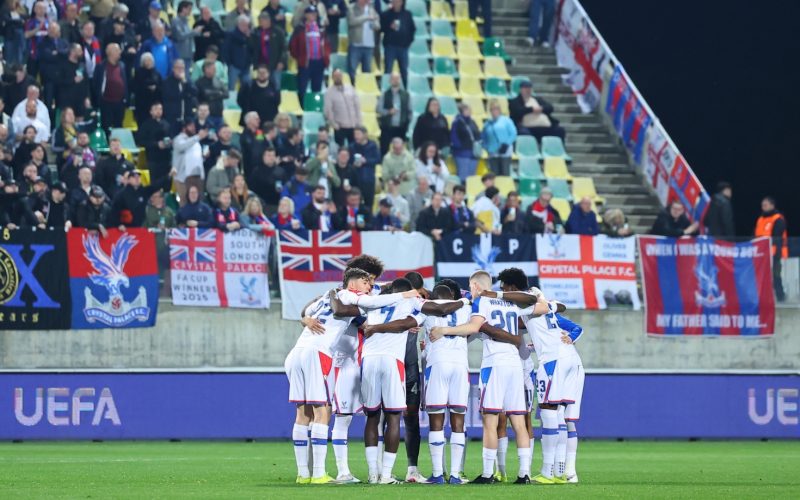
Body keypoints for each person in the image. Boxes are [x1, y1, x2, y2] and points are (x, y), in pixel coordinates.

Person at [287, 269, 416, 484]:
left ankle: (303, 474)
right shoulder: (347, 294)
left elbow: (305, 311)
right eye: (368, 283)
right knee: (322, 412)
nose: (370, 288)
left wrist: (306, 320)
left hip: (296, 352)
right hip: (320, 354)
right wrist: (404, 295)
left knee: (303, 414)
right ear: (357, 282)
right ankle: (319, 473)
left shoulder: (328, 295)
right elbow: (367, 305)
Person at [429, 270, 545, 484]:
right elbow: (540, 306)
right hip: (514, 365)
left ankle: (488, 473)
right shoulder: (511, 302)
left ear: (475, 285)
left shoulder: (483, 301)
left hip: (494, 364)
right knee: (519, 421)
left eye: (471, 286)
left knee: (490, 420)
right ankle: (524, 474)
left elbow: (474, 327)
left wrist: (444, 330)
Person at [110, 169, 175, 228]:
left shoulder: (143, 191)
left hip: (142, 228)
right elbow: (114, 211)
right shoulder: (121, 195)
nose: (137, 179)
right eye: (134, 177)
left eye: (138, 177)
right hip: (127, 228)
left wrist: (168, 176)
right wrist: (118, 224)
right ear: (129, 180)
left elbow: (156, 185)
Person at [289, 6, 329, 102]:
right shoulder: (300, 28)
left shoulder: (321, 28)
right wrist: (299, 57)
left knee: (317, 88)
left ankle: (314, 107)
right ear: (306, 15)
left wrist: (325, 59)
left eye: (314, 14)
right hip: (305, 63)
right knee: (302, 87)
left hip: (319, 62)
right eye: (310, 13)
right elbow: (292, 45)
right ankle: (302, 107)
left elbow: (326, 44)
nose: (313, 15)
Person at [755, 196, 788, 302]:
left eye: (765, 205)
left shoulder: (778, 218)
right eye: (762, 205)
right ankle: (763, 298)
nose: (763, 207)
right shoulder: (760, 219)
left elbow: (777, 236)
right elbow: (755, 234)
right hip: (761, 253)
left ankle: (781, 297)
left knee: (776, 275)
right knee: (762, 276)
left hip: (774, 252)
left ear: (772, 205)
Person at [173, 119, 208, 206]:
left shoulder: (195, 141)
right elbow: (182, 147)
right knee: (185, 200)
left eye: (194, 126)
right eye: (191, 126)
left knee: (199, 200)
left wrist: (204, 156)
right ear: (184, 128)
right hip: (183, 177)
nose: (193, 128)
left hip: (197, 176)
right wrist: (198, 137)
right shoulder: (178, 139)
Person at [379, 0, 415, 86]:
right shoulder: (386, 14)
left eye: (398, 1)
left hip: (403, 47)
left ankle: (405, 91)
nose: (396, 2)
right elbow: (381, 28)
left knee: (404, 71)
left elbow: (412, 29)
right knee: (388, 69)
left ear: (402, 2)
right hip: (390, 46)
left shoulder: (407, 14)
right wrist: (389, 26)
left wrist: (408, 42)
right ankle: (386, 89)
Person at [324, 69, 362, 147]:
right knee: (340, 148)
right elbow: (328, 110)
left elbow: (357, 106)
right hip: (340, 127)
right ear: (332, 78)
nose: (338, 78)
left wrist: (358, 122)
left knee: (354, 148)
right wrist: (334, 125)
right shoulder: (329, 93)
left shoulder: (350, 88)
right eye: (335, 76)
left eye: (339, 76)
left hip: (353, 126)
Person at [249, 12, 287, 88]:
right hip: (260, 64)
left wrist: (281, 61)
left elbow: (284, 48)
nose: (260, 23)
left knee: (275, 85)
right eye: (259, 21)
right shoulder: (255, 32)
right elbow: (251, 47)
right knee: (260, 86)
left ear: (268, 20)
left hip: (275, 64)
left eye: (262, 21)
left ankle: (275, 99)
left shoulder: (278, 31)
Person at [162, 59, 198, 135]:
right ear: (173, 69)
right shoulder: (167, 81)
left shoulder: (187, 81)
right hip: (172, 117)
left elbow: (195, 92)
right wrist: (186, 94)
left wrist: (185, 82)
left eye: (182, 68)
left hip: (186, 117)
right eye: (178, 68)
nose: (180, 70)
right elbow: (172, 96)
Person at [37, 22, 69, 109]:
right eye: (50, 29)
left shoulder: (64, 42)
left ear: (59, 31)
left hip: (61, 78)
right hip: (49, 79)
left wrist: (57, 53)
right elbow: (47, 56)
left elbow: (67, 54)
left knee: (61, 104)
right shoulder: (43, 43)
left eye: (54, 29)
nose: (52, 31)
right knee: (48, 103)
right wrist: (60, 54)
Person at [378, 72, 411, 155]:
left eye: (397, 79)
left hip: (401, 128)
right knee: (384, 150)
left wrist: (406, 122)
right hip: (387, 127)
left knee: (400, 151)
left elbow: (409, 111)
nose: (395, 81)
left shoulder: (406, 95)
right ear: (390, 81)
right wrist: (388, 112)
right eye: (393, 79)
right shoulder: (384, 94)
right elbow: (378, 109)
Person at [482, 99, 517, 177]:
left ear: (500, 110)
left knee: (505, 173)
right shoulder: (487, 124)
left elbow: (513, 133)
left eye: (496, 109)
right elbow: (483, 138)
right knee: (494, 175)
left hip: (505, 151)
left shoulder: (507, 121)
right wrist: (487, 147)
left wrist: (506, 144)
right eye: (492, 109)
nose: (494, 111)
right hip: (493, 153)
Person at [346, 0, 379, 82]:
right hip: (356, 45)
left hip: (369, 46)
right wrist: (366, 17)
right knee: (352, 70)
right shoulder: (351, 8)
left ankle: (365, 90)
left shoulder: (372, 9)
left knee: (367, 71)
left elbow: (378, 25)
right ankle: (352, 89)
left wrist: (374, 24)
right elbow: (352, 21)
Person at [138, 102, 173, 180]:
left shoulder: (167, 124)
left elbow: (170, 138)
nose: (158, 111)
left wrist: (169, 143)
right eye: (156, 109)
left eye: (160, 109)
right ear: (151, 112)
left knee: (166, 181)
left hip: (166, 159)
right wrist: (156, 144)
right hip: (153, 159)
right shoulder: (145, 125)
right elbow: (141, 141)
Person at [349, 126, 380, 210]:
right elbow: (349, 162)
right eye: (355, 134)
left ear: (365, 135)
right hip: (356, 180)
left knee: (368, 205)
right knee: (354, 204)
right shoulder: (352, 147)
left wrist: (366, 161)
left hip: (368, 180)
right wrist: (353, 164)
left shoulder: (373, 146)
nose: (356, 136)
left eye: (358, 134)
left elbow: (378, 160)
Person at [223, 15, 254, 91]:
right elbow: (225, 50)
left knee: (247, 87)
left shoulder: (250, 36)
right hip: (234, 66)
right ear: (239, 24)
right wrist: (229, 63)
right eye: (244, 25)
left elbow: (252, 49)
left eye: (247, 25)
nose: (246, 27)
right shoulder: (231, 34)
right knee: (231, 88)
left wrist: (249, 38)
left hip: (246, 67)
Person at [451, 103, 481, 181]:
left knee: (472, 177)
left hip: (473, 153)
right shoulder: (457, 122)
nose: (469, 111)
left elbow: (477, 134)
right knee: (463, 176)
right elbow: (454, 136)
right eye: (467, 110)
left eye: (469, 110)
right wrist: (460, 146)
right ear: (462, 111)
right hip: (462, 153)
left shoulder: (472, 122)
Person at [132, 53, 163, 126]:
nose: (149, 62)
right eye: (146, 60)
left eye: (150, 60)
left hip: (154, 102)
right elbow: (135, 88)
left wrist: (155, 88)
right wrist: (147, 88)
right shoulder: (138, 73)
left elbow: (161, 87)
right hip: (142, 104)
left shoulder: (157, 73)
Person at [170, 1, 200, 66]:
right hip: (180, 54)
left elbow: (188, 35)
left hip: (188, 54)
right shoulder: (175, 21)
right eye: (189, 9)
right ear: (183, 9)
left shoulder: (186, 22)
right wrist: (194, 32)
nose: (190, 11)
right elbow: (180, 36)